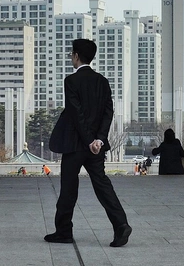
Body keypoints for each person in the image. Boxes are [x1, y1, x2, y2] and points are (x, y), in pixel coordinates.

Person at [46, 39, 131, 248]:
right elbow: (108, 113)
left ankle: (64, 231)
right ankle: (121, 225)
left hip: (75, 145)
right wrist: (99, 140)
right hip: (96, 148)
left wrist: (88, 140)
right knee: (102, 185)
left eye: (71, 54)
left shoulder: (71, 81)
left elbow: (76, 114)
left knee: (68, 187)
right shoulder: (102, 81)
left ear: (76, 56)